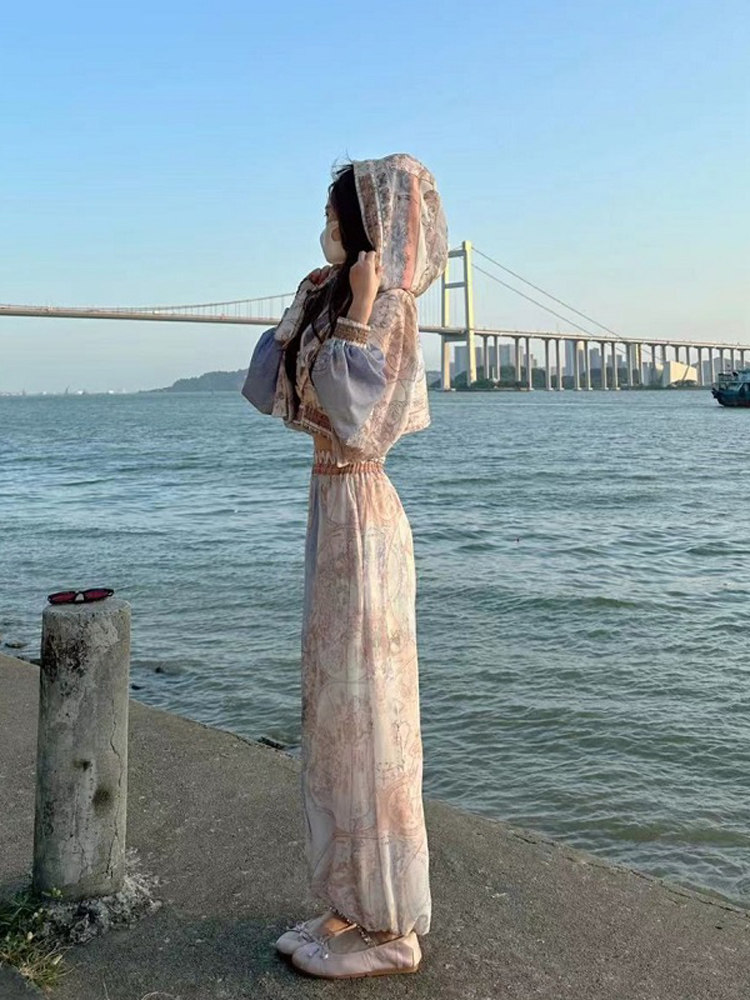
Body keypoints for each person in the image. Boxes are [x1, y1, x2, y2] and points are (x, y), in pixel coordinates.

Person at [241, 152, 447, 979]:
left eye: (336, 213)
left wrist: (359, 309)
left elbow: (358, 419)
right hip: (331, 507)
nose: (324, 226)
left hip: (362, 510)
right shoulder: (333, 294)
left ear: (368, 222)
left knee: (370, 716)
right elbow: (274, 386)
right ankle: (346, 902)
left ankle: (391, 925)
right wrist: (318, 306)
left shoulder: (390, 308)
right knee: (333, 712)